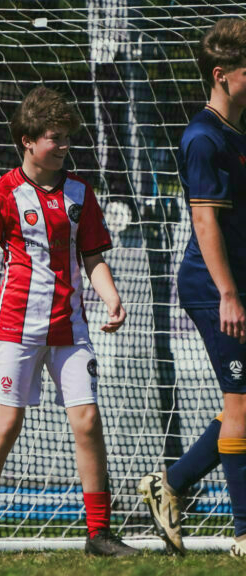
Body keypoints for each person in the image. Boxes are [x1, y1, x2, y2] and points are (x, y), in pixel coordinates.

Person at [0, 86, 134, 557]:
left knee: (88, 420)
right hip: (16, 328)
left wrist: (110, 297)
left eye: (67, 137)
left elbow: (93, 257)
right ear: (28, 140)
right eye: (55, 137)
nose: (65, 146)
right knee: (7, 423)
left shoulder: (79, 193)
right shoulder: (0, 194)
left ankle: (99, 534)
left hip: (70, 328)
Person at [139, 18, 246, 558]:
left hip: (236, 285)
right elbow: (205, 222)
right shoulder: (202, 137)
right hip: (214, 290)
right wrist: (228, 294)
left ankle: (172, 483)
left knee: (244, 405)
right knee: (242, 405)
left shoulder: (234, 135)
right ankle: (244, 532)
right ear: (223, 75)